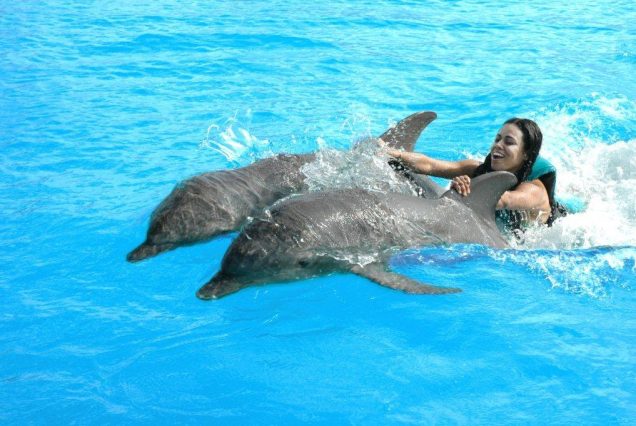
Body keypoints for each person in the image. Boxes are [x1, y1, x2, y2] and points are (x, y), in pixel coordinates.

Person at [386, 117, 565, 232]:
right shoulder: (477, 168)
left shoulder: (535, 191)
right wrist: (391, 153)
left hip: (552, 231)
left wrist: (466, 190)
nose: (498, 145)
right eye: (497, 139)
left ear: (526, 154)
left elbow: (504, 200)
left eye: (509, 142)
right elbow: (430, 165)